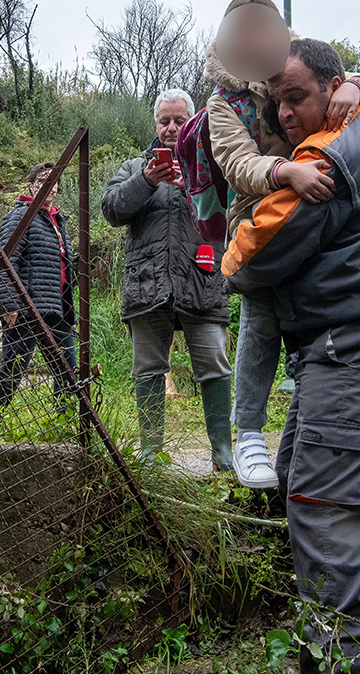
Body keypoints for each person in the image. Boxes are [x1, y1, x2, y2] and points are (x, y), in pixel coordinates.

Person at [224, 39, 360, 673]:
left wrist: (231, 256)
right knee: (307, 480)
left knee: (323, 506)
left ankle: (342, 658)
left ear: (332, 86)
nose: (286, 112)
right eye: (277, 101)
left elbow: (254, 255)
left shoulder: (326, 156)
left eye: (297, 97)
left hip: (353, 344)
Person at [205, 0, 360, 489]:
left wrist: (359, 86)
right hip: (264, 208)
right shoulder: (224, 103)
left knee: (320, 301)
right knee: (261, 318)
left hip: (320, 198)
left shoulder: (296, 66)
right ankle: (247, 431)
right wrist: (285, 169)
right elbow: (235, 163)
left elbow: (336, 80)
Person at [102, 88, 233, 470]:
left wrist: (196, 183)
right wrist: (146, 180)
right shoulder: (133, 167)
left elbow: (230, 211)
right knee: (148, 370)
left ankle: (223, 454)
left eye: (179, 120)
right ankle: (151, 455)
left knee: (215, 367)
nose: (172, 128)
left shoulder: (210, 164)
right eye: (164, 121)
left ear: (191, 121)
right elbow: (111, 209)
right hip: (148, 283)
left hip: (203, 281)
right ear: (155, 123)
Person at [0, 162, 78, 430]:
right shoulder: (19, 216)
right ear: (31, 184)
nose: (51, 185)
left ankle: (65, 424)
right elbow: (5, 262)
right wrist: (9, 304)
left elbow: (64, 272)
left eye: (55, 180)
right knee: (13, 370)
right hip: (24, 309)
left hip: (55, 310)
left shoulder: (58, 220)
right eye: (44, 179)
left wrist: (69, 314)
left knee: (67, 371)